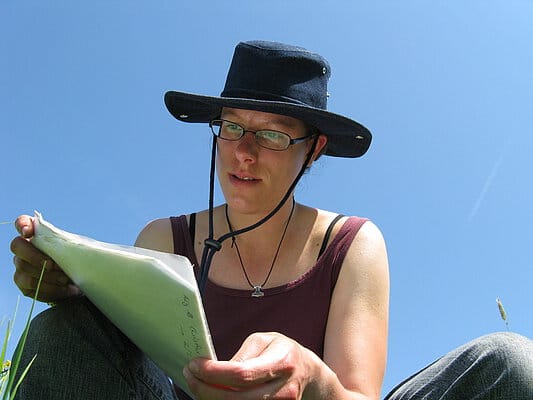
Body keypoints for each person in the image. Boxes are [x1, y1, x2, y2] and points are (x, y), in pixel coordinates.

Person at [10, 41, 532, 400]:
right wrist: (79, 295)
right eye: (232, 127)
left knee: (510, 363)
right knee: (63, 328)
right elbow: (125, 372)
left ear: (314, 150)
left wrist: (313, 380)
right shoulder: (166, 238)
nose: (244, 152)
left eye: (274, 135)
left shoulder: (352, 244)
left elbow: (356, 395)